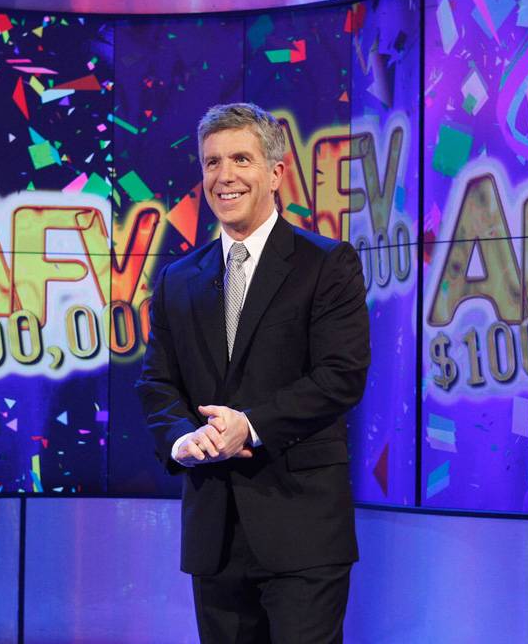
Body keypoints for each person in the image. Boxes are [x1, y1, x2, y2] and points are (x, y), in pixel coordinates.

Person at [136, 102, 371, 644]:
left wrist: (251, 424)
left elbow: (342, 375)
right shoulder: (177, 279)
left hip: (302, 529)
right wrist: (181, 439)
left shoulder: (326, 263)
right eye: (212, 162)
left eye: (241, 159)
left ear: (275, 173)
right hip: (214, 533)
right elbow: (156, 382)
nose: (225, 176)